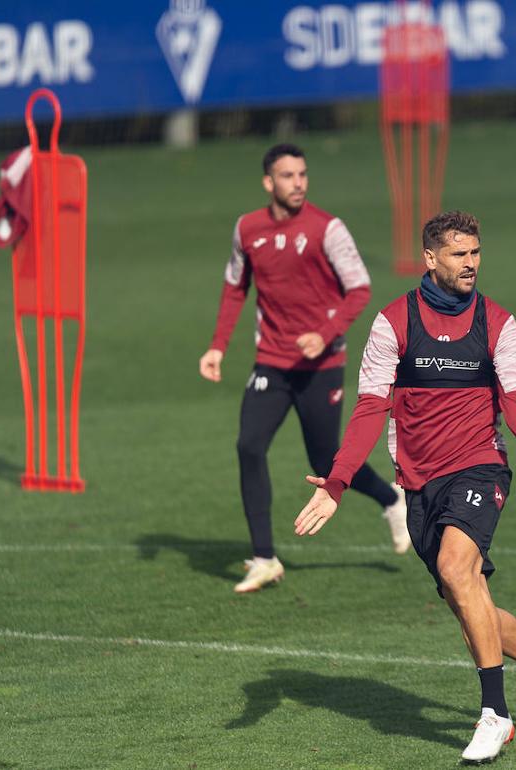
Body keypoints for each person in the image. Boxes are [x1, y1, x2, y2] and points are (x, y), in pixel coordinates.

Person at [293, 211, 516, 761]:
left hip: (479, 467)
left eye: (475, 253)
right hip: (419, 482)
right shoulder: (394, 322)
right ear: (431, 258)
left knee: (455, 569)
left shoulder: (499, 324)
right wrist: (338, 481)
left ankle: (496, 715)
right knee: (471, 606)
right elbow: (371, 407)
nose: (471, 263)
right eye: (459, 254)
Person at [199, 143, 410, 593]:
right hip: (271, 363)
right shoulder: (247, 229)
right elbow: (235, 288)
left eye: (303, 174)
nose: (298, 183)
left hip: (321, 364)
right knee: (249, 446)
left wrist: (325, 331)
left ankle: (392, 499)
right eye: (288, 175)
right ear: (268, 182)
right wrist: (217, 346)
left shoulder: (327, 229)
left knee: (325, 460)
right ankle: (264, 558)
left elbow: (359, 288)